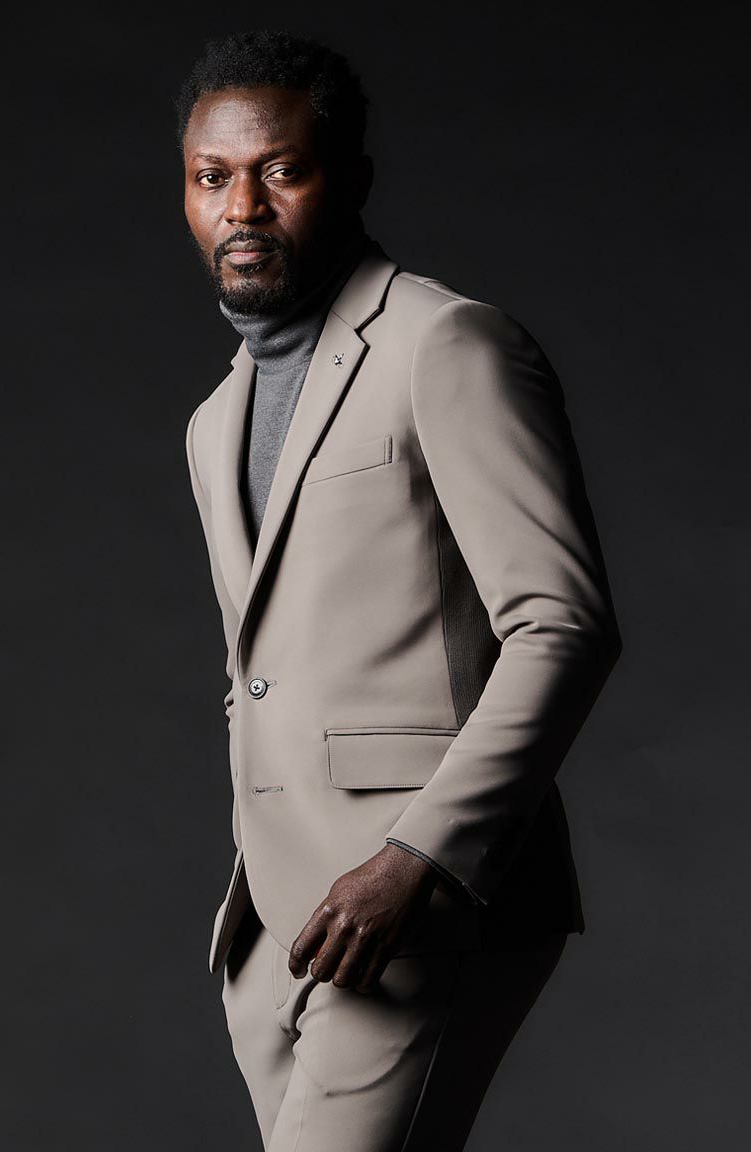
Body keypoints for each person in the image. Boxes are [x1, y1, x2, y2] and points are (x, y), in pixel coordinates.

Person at [179, 28, 622, 1152]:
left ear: (350, 179)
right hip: (277, 934)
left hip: (420, 903)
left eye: (280, 171)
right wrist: (250, 919)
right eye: (212, 178)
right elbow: (260, 669)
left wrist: (418, 858)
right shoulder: (213, 422)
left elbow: (562, 624)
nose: (242, 207)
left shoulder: (446, 344)